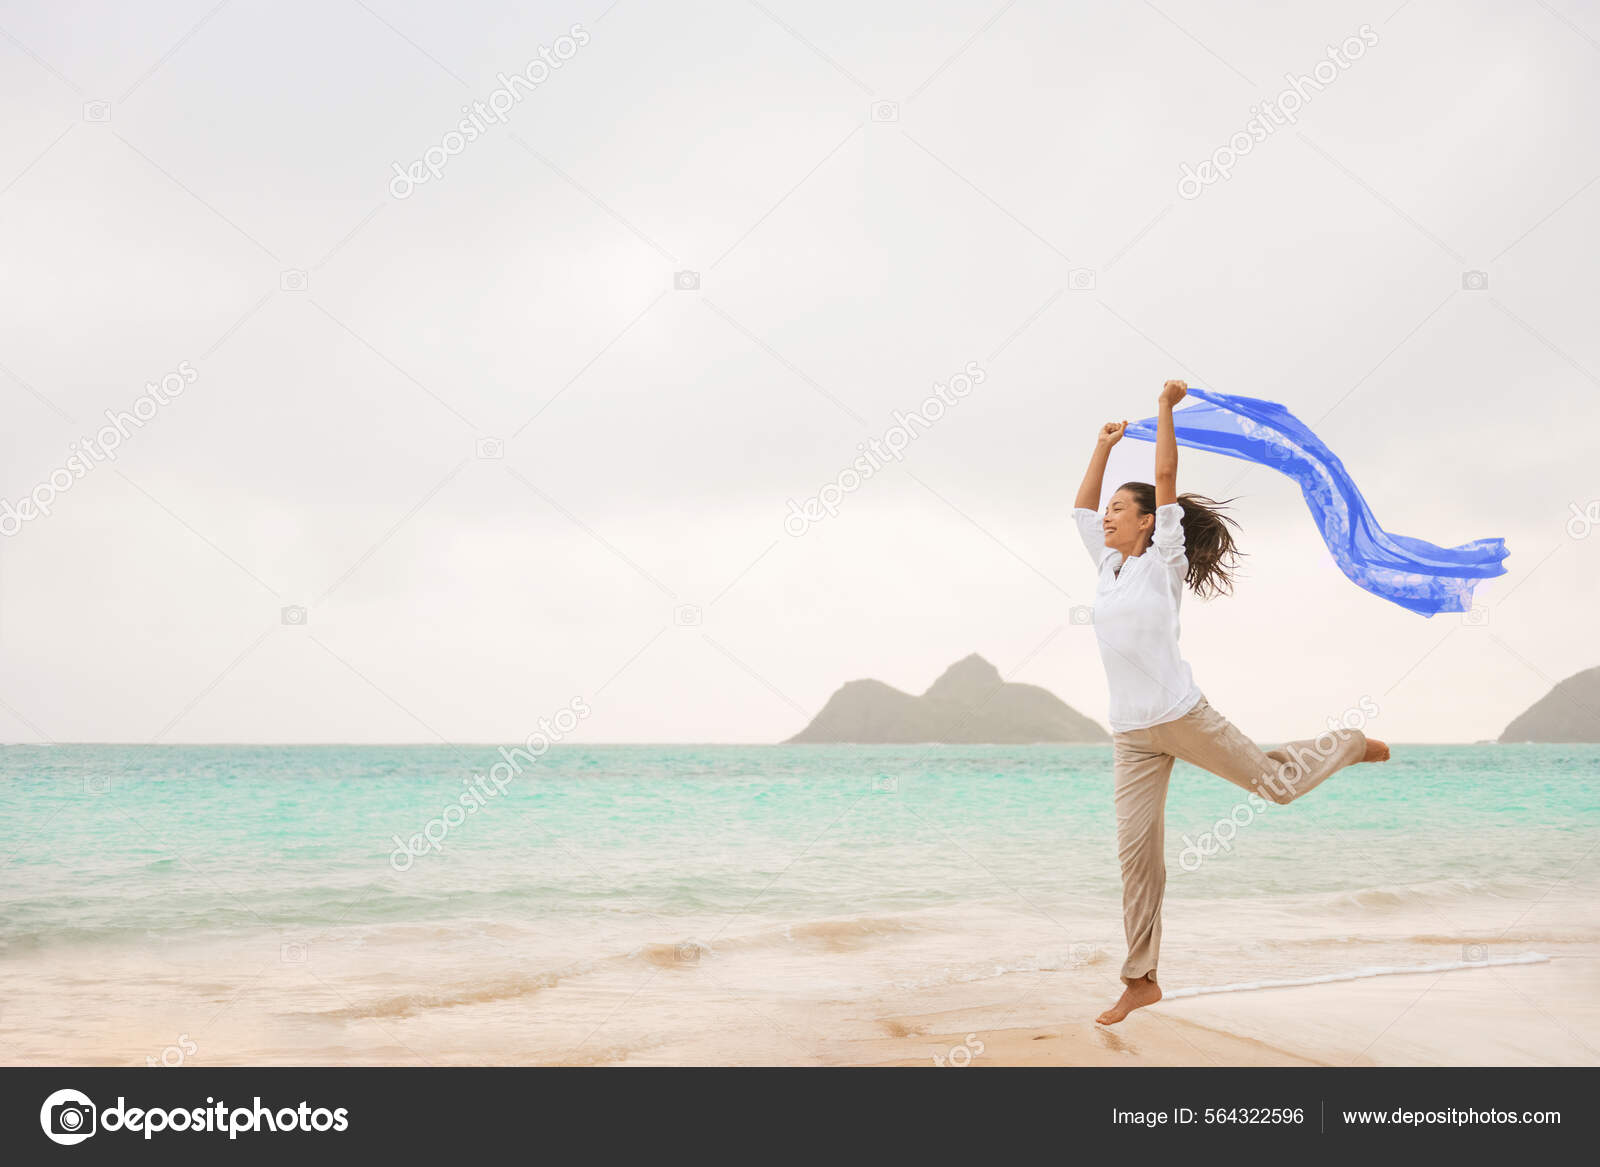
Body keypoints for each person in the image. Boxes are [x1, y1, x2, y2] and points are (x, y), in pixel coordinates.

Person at [1072, 379, 1390, 1025]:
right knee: (1137, 858)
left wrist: (1163, 410)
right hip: (1131, 735)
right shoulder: (1106, 568)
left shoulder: (1163, 560)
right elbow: (1077, 511)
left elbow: (1165, 473)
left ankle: (1347, 744)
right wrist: (1101, 447)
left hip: (1183, 717)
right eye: (1106, 511)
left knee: (1275, 786)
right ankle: (1141, 978)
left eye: (1117, 509)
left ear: (1146, 520)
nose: (1105, 517)